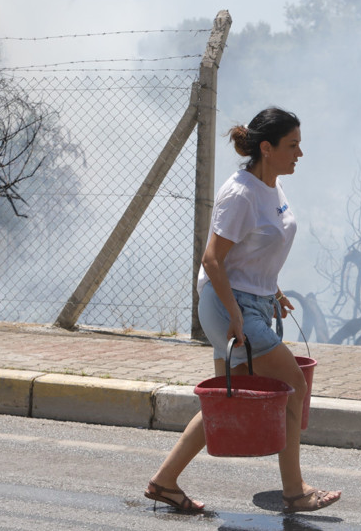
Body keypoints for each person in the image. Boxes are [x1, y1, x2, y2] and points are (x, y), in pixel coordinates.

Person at [144, 107, 341, 514]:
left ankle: (164, 481)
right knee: (293, 385)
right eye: (292, 145)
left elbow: (252, 252)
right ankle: (294, 492)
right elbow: (214, 259)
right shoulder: (241, 194)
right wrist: (236, 314)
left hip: (251, 301)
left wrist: (274, 291)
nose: (300, 153)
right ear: (266, 148)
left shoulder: (272, 187)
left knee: (228, 401)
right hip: (227, 305)